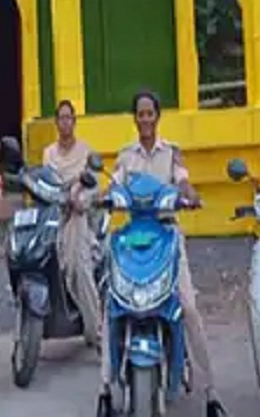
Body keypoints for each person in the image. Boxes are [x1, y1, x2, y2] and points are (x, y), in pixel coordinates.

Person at [98, 90, 227, 417]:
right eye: (140, 114)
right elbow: (113, 184)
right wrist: (102, 197)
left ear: (157, 117)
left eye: (150, 113)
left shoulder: (171, 153)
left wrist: (190, 195)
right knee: (113, 305)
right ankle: (104, 390)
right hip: (132, 238)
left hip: (166, 236)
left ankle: (211, 393)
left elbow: (183, 181)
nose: (145, 119)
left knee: (189, 307)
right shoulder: (126, 156)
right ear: (135, 118)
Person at [43, 99, 102, 346]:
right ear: (56, 122)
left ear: (74, 122)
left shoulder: (85, 151)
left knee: (79, 267)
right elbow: (45, 184)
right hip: (54, 215)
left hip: (78, 216)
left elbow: (94, 187)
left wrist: (79, 200)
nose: (65, 122)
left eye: (69, 117)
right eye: (61, 118)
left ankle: (96, 330)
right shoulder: (49, 153)